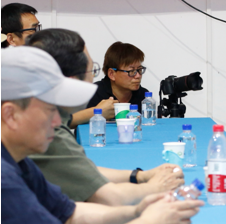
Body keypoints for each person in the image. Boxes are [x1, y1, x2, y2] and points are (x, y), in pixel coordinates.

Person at [1, 47, 203, 224]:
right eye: (50, 111)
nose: (59, 122)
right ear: (10, 115)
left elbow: (69, 214)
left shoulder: (18, 160)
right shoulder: (4, 180)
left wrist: (136, 212)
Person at [25, 29, 184, 204]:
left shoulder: (41, 114)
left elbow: (84, 170)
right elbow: (102, 194)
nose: (137, 76)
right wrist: (153, 189)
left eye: (140, 70)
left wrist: (140, 176)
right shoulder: (44, 129)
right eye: (91, 70)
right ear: (71, 78)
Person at [86, 41, 150, 118]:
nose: (138, 76)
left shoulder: (144, 96)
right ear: (111, 74)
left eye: (139, 70)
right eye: (131, 71)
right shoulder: (94, 94)